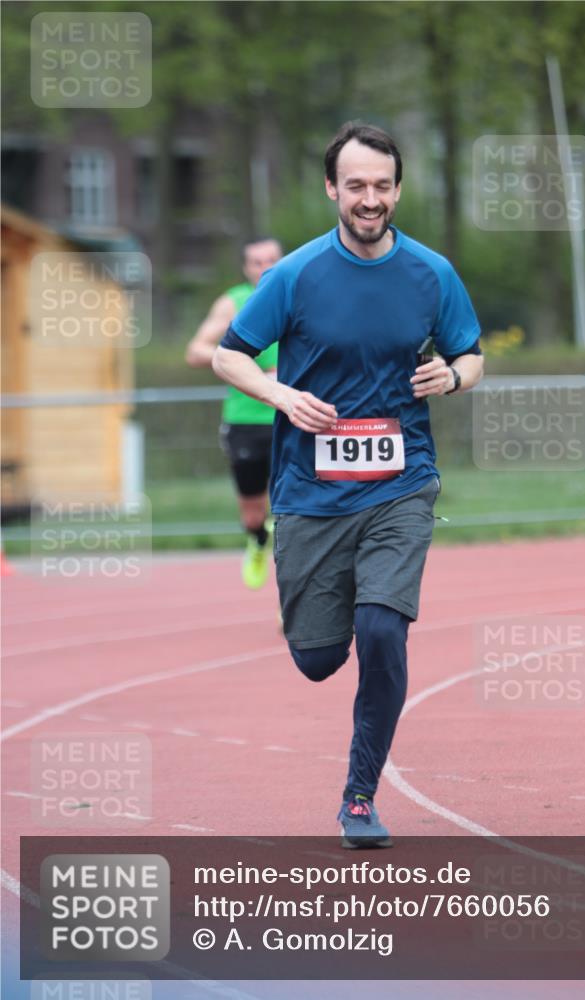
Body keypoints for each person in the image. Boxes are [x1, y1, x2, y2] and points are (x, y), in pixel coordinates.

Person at [212, 122, 484, 847]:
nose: (370, 199)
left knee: (382, 630)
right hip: (308, 492)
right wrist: (279, 394)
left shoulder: (432, 273)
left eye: (382, 186)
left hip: (400, 484)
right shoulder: (295, 275)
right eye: (356, 185)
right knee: (317, 660)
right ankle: (306, 618)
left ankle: (359, 795)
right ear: (333, 188)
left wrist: (452, 375)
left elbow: (471, 353)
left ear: (397, 189)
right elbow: (227, 355)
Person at [186, 238, 283, 588]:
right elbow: (196, 350)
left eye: (271, 260)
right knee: (253, 512)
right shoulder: (233, 302)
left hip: (291, 417)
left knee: (293, 510)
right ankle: (257, 540)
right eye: (256, 262)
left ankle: (294, 600)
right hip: (245, 423)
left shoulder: (297, 294)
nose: (264, 268)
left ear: (282, 261)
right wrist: (239, 360)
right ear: (246, 268)